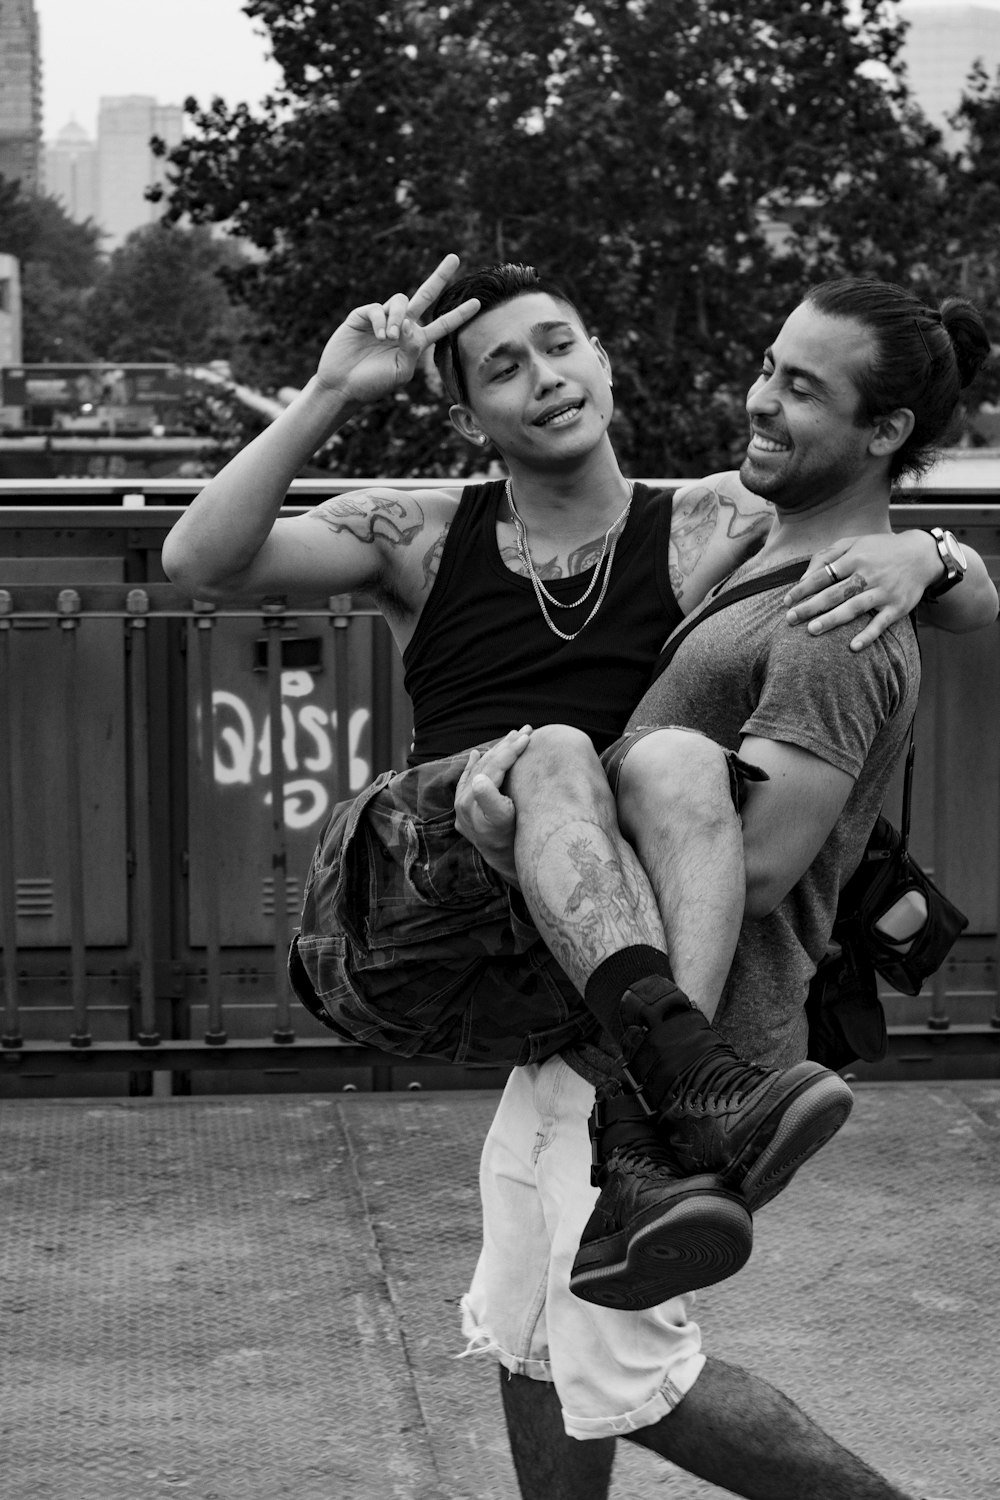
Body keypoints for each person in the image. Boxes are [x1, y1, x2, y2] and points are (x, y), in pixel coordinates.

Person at [161, 255, 993, 1500]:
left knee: (549, 1339)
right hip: (434, 901)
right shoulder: (422, 532)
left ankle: (665, 1090)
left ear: (604, 358)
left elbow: (896, 540)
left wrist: (929, 555)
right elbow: (199, 561)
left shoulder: (719, 525)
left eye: (559, 344)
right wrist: (333, 391)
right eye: (501, 365)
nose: (543, 377)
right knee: (556, 754)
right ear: (466, 411)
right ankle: (680, 1085)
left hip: (586, 973)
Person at [452, 275, 994, 1500]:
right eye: (767, 364)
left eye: (802, 388)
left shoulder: (834, 612)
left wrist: (546, 837)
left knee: (635, 1375)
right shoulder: (763, 542)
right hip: (601, 1013)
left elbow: (755, 866)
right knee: (531, 1341)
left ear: (886, 432)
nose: (760, 397)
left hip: (690, 1058)